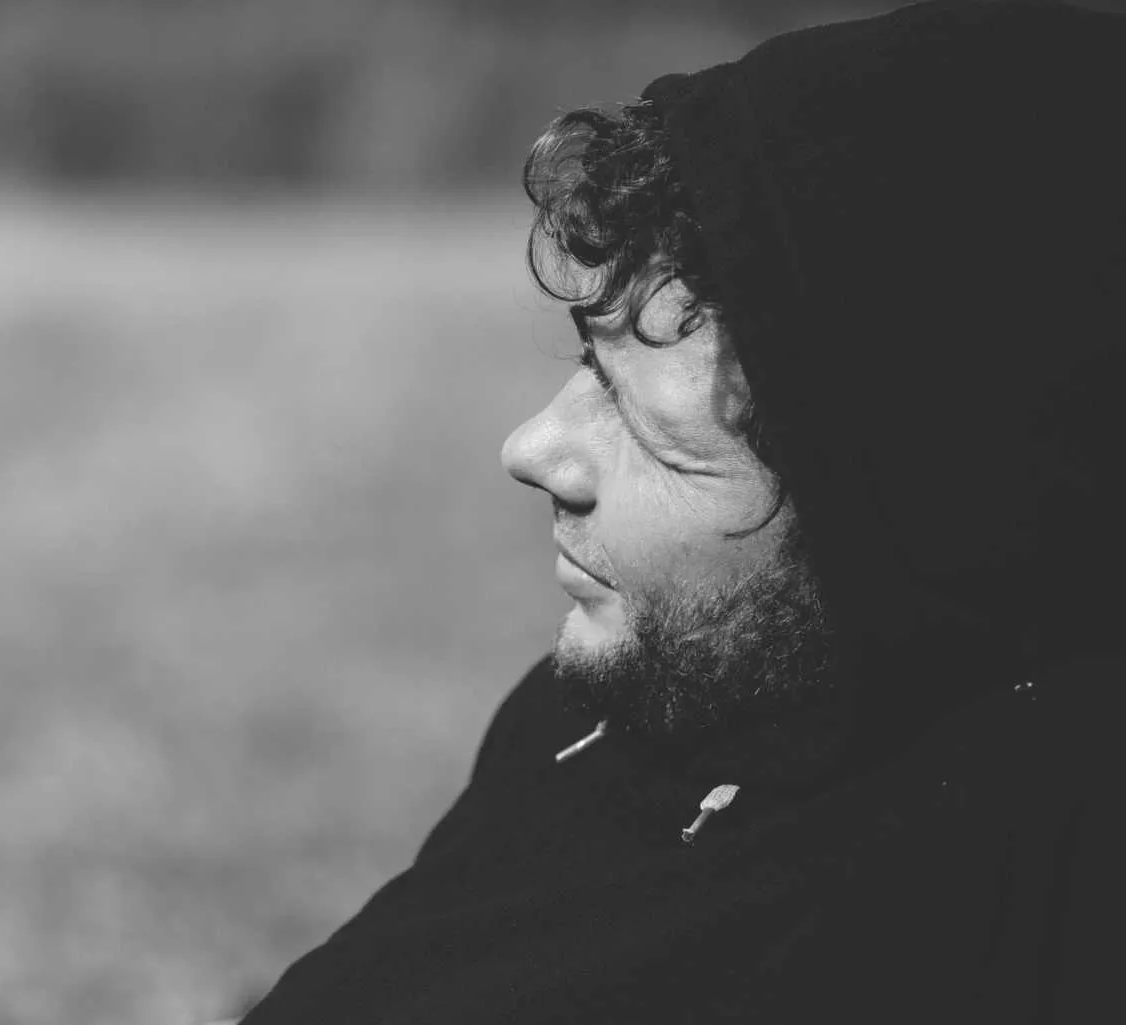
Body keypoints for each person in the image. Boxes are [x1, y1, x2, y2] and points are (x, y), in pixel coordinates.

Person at [238, 3, 1124, 1021]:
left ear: (930, 510)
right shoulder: (622, 720)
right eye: (588, 361)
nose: (532, 450)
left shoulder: (999, 894)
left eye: (657, 431)